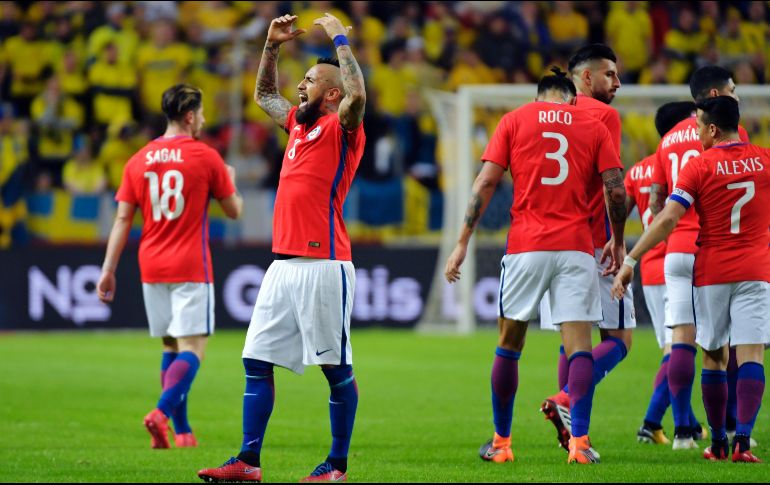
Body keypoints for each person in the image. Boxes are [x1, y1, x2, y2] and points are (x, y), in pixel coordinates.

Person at [197, 12, 366, 483]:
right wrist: (271, 46)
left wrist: (338, 37)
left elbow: (358, 95)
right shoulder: (297, 125)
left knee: (334, 369)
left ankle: (336, 466)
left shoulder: (343, 128)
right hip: (283, 265)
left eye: (310, 81)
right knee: (255, 360)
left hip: (324, 263)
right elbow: (263, 95)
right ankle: (248, 462)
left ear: (331, 93)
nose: (300, 87)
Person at [445, 67, 627, 465]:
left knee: (509, 346)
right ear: (571, 97)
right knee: (579, 347)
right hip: (577, 248)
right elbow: (616, 187)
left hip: (527, 244)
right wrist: (618, 238)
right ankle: (579, 444)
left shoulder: (514, 119)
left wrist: (462, 242)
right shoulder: (591, 123)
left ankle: (501, 443)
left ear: (539, 96)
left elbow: (485, 183)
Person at [613, 95, 768, 464]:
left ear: (713, 129)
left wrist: (631, 257)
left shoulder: (699, 166)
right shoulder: (764, 159)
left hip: (712, 272)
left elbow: (666, 219)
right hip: (756, 271)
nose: (695, 131)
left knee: (713, 358)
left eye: (699, 125)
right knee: (751, 356)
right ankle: (743, 442)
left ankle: (715, 443)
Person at [96, 84, 243, 448]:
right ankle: (160, 413)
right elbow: (234, 211)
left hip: (152, 264)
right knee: (193, 348)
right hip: (190, 263)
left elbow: (121, 221)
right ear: (190, 116)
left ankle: (182, 432)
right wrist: (231, 178)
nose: (205, 120)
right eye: (203, 113)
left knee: (170, 347)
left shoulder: (138, 160)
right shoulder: (206, 157)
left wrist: (108, 269)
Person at [539, 44, 635, 453]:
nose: (617, 82)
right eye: (609, 74)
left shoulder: (545, 118)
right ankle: (565, 397)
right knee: (622, 338)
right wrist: (619, 237)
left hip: (548, 241)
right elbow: (612, 184)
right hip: (595, 242)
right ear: (584, 78)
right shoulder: (603, 116)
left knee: (570, 341)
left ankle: (577, 435)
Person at [648, 66, 749, 450]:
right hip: (714, 248)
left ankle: (682, 433)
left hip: (674, 249)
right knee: (730, 342)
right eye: (731, 89)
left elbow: (658, 200)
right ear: (714, 93)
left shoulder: (668, 139)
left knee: (681, 340)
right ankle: (734, 428)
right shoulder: (730, 131)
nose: (735, 96)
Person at [625, 101, 700, 445]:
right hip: (678, 251)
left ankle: (688, 423)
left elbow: (624, 211)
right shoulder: (686, 154)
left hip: (650, 266)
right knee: (682, 348)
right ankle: (656, 421)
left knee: (674, 349)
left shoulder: (641, 168)